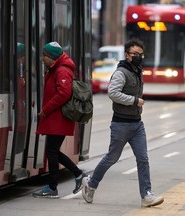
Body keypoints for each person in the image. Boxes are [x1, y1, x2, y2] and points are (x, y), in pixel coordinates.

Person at [82, 39, 164, 207]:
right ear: (127, 55)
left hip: (137, 124)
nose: (138, 57)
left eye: (141, 54)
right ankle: (91, 183)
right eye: (135, 54)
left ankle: (146, 195)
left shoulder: (137, 70)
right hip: (121, 124)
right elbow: (112, 93)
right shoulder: (121, 72)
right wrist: (134, 101)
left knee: (143, 159)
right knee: (111, 158)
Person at [32, 42, 87, 198]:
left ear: (51, 57)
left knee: (52, 151)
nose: (42, 58)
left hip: (59, 119)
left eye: (44, 55)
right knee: (53, 151)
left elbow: (64, 94)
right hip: (56, 119)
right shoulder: (56, 68)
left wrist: (46, 110)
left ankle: (53, 186)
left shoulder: (62, 71)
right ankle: (76, 175)